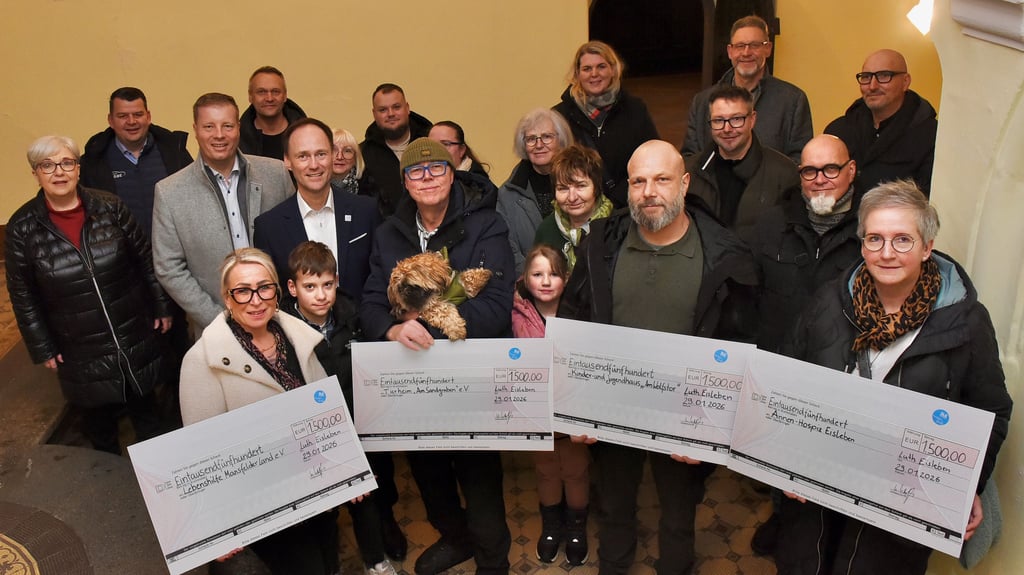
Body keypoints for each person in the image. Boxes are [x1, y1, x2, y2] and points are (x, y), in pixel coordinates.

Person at [775, 180, 1012, 575]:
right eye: (875, 239)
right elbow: (785, 381)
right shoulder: (828, 302)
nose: (886, 253)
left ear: (927, 246)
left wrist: (968, 483)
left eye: (902, 240)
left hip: (898, 515)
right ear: (861, 244)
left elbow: (991, 411)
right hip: (815, 499)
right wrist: (780, 461)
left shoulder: (966, 322)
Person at [559, 140, 758, 575]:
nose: (649, 191)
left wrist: (711, 425)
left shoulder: (723, 255)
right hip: (613, 408)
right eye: (638, 181)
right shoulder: (601, 244)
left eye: (662, 179)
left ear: (684, 184)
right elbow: (573, 321)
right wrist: (575, 408)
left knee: (678, 512)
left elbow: (740, 344)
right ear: (627, 188)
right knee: (613, 503)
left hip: (685, 416)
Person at [360, 138, 515, 575]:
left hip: (470, 377)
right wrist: (391, 327)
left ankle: (491, 562)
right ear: (405, 183)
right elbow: (373, 302)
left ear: (453, 173)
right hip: (414, 382)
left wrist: (421, 323)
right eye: (416, 172)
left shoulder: (487, 226)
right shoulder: (389, 233)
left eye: (436, 170)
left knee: (479, 476)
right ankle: (455, 536)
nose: (426, 179)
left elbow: (495, 306)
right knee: (429, 474)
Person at [6, 135, 172, 454]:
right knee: (101, 433)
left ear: (78, 168)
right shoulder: (22, 228)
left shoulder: (110, 206)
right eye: (47, 165)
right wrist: (42, 346)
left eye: (67, 162)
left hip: (132, 331)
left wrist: (161, 305)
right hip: (78, 346)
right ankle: (107, 495)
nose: (59, 172)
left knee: (150, 419)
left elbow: (145, 261)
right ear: (35, 173)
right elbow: (23, 295)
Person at [179, 248, 339, 574]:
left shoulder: (296, 337)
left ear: (277, 292)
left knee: (328, 558)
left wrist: (345, 470)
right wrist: (218, 528)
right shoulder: (201, 361)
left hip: (316, 486)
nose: (256, 300)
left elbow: (326, 411)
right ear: (227, 297)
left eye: (264, 287)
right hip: (266, 504)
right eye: (242, 291)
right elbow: (201, 453)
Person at [748, 134, 865, 556]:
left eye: (830, 169)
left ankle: (834, 531)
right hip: (782, 366)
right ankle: (782, 515)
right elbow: (752, 294)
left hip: (844, 371)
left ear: (850, 171)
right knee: (783, 456)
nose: (819, 180)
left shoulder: (869, 232)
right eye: (809, 172)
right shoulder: (772, 223)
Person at [281, 241, 399, 575]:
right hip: (314, 438)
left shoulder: (354, 317)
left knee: (366, 497)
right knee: (323, 508)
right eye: (310, 287)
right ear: (292, 288)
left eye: (327, 285)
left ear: (337, 282)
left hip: (358, 427)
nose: (321, 295)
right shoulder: (283, 333)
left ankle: (375, 559)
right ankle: (328, 565)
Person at [153, 92, 293, 331]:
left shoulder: (275, 174)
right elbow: (168, 267)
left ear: (238, 127)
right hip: (215, 327)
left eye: (227, 125)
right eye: (209, 126)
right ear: (196, 129)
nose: (219, 135)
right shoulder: (170, 192)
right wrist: (218, 318)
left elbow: (295, 238)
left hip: (281, 318)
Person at [511, 245, 591, 566]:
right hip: (538, 414)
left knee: (575, 471)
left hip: (572, 412)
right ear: (526, 279)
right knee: (545, 471)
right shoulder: (516, 313)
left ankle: (576, 527)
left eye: (554, 274)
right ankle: (551, 525)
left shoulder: (579, 313)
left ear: (566, 278)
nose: (545, 281)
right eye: (537, 274)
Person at [253, 118, 380, 301]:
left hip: (360, 327)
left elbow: (378, 278)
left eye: (321, 154)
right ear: (287, 161)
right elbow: (273, 295)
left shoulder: (365, 211)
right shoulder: (269, 227)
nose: (314, 165)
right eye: (303, 156)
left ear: (331, 156)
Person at [683, 15, 812, 163]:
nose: (746, 53)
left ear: (768, 49)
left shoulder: (793, 101)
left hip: (771, 185)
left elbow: (800, 161)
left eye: (754, 45)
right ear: (730, 51)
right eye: (740, 46)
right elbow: (690, 159)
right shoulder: (702, 102)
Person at [685, 85, 799, 244]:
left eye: (736, 119)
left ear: (752, 119)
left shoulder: (784, 173)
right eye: (718, 120)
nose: (727, 128)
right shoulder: (688, 171)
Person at [553, 41, 659, 208]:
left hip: (627, 207)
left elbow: (652, 157)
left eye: (601, 66)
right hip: (577, 208)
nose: (594, 74)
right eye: (587, 69)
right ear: (577, 74)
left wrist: (617, 200)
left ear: (613, 70)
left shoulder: (635, 109)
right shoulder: (560, 116)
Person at [80, 86, 193, 236]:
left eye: (138, 114)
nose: (131, 121)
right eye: (123, 116)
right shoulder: (94, 161)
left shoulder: (175, 152)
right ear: (111, 120)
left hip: (171, 253)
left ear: (148, 116)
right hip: (120, 256)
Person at [825, 49, 937, 196]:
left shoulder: (931, 136)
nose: (872, 86)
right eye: (866, 77)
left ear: (905, 82)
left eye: (884, 76)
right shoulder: (838, 132)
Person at [496, 108, 574, 275]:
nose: (539, 145)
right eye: (531, 139)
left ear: (561, 141)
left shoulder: (579, 185)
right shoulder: (507, 194)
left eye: (547, 137)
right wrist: (536, 278)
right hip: (529, 286)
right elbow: (507, 248)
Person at [533, 145, 615, 271]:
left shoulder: (616, 227)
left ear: (596, 187)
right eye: (563, 188)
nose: (572, 197)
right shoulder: (547, 230)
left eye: (580, 186)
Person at [360, 83, 432, 216]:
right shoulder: (363, 154)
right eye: (383, 110)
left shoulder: (432, 144)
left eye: (396, 107)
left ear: (407, 108)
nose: (391, 114)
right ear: (374, 114)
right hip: (385, 233)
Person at [239, 66, 307, 159]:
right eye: (261, 92)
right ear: (250, 96)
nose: (269, 98)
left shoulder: (305, 133)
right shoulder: (238, 139)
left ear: (285, 95)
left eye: (275, 92)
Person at [330, 127, 379, 199]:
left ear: (355, 158)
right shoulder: (313, 186)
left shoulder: (371, 188)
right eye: (333, 150)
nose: (340, 157)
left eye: (347, 151)